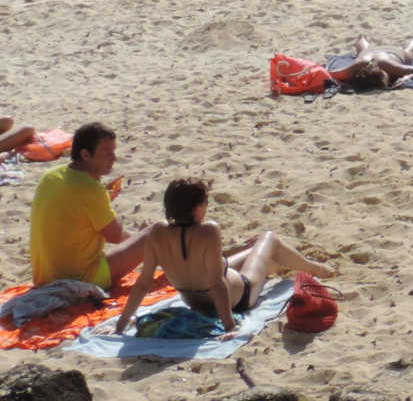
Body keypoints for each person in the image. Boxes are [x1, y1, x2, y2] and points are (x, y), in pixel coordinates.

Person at [114, 178, 333, 339]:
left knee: (258, 254)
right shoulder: (208, 230)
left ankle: (276, 265)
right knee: (269, 239)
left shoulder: (157, 232)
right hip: (239, 296)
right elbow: (217, 284)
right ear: (198, 207)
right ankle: (317, 269)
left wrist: (121, 325)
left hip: (195, 300)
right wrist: (229, 326)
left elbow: (143, 283)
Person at [29, 123, 145, 288]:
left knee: (138, 238)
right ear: (85, 154)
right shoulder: (91, 190)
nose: (113, 158)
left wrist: (102, 197)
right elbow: (116, 236)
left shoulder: (50, 176)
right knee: (152, 237)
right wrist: (102, 197)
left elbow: (74, 209)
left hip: (44, 278)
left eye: (113, 151)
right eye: (106, 152)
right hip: (80, 280)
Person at [336, 35, 413, 89]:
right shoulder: (356, 67)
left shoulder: (389, 66)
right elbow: (332, 75)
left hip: (392, 52)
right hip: (370, 52)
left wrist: (407, 78)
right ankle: (361, 38)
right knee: (363, 49)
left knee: (410, 51)